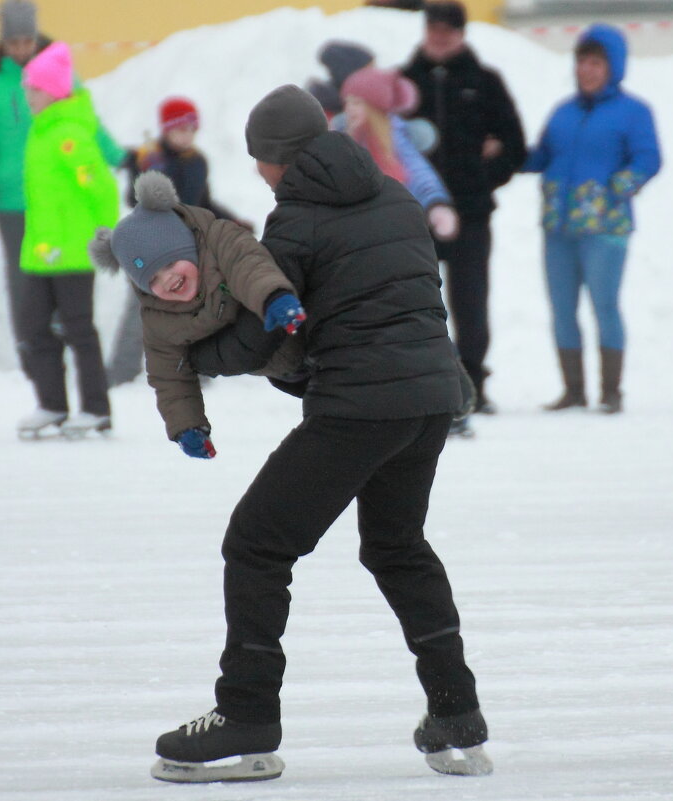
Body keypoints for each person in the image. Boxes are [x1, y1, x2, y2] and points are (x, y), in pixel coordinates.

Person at [149, 85, 491, 784]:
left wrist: (192, 356)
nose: (257, 173)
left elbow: (259, 335)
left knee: (256, 541)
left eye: (258, 159)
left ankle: (245, 714)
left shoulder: (297, 222)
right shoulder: (396, 196)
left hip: (359, 407)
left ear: (280, 158)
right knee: (397, 545)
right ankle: (455, 710)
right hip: (429, 399)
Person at [89, 170, 305, 452]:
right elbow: (169, 375)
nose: (166, 279)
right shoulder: (159, 316)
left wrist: (274, 297)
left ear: (187, 245)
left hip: (303, 331)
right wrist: (187, 426)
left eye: (169, 264)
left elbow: (250, 268)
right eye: (152, 280)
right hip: (285, 374)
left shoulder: (221, 243)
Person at [0, 0, 126, 340]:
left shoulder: (58, 72)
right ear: (2, 42)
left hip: (61, 193)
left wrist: (119, 157)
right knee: (24, 278)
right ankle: (31, 347)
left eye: (26, 41)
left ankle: (66, 339)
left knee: (64, 269)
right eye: (13, 42)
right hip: (14, 199)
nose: (21, 49)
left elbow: (87, 124)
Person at [523, 24, 661, 414]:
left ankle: (611, 391)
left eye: (596, 62)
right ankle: (573, 390)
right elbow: (543, 155)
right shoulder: (563, 112)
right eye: (582, 61)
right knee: (562, 309)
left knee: (605, 306)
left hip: (606, 229)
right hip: (558, 227)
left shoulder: (634, 112)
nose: (587, 69)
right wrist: (510, 154)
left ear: (613, 66)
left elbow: (648, 158)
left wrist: (617, 188)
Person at [400, 1, 526, 413]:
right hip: (416, 215)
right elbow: (386, 145)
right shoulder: (404, 83)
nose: (440, 37)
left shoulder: (485, 82)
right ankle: (423, 380)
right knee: (416, 300)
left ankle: (473, 382)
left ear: (462, 34)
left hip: (471, 214)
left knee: (471, 301)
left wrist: (481, 176)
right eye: (434, 29)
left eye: (448, 31)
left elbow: (515, 147)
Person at [106, 96, 255, 388]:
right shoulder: (150, 158)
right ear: (166, 130)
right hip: (150, 245)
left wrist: (232, 221)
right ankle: (121, 373)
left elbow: (200, 201)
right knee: (141, 309)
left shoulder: (197, 162)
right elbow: (133, 199)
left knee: (192, 308)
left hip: (185, 247)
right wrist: (144, 170)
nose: (186, 136)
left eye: (191, 129)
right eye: (179, 130)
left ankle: (197, 368)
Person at [15, 41, 119, 438]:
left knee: (78, 329)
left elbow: (102, 189)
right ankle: (53, 404)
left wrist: (102, 236)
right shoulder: (41, 133)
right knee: (35, 328)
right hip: (42, 252)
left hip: (73, 252)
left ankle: (96, 408)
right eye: (27, 88)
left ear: (54, 91)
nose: (28, 96)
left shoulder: (70, 134)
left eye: (34, 89)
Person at [336, 65, 458, 241]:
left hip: (390, 231)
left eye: (356, 102)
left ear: (375, 107)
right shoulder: (341, 138)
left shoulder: (395, 139)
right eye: (347, 102)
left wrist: (436, 204)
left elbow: (418, 172)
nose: (349, 109)